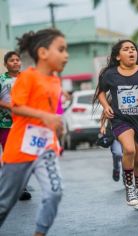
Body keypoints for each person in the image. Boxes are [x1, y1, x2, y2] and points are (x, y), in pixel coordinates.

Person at [0, 28, 67, 236]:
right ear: (43, 53)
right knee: (4, 203)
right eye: (62, 49)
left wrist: (58, 124)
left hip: (46, 147)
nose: (66, 55)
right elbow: (16, 106)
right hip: (20, 148)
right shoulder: (27, 77)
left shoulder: (56, 81)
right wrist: (43, 116)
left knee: (55, 193)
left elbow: (55, 112)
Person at [93, 39, 138, 210]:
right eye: (126, 49)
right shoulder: (110, 74)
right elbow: (101, 92)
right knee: (129, 150)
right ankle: (130, 188)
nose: (131, 51)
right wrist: (106, 106)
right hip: (120, 119)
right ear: (118, 56)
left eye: (133, 49)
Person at [0, 51, 32, 201]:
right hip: (5, 124)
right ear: (6, 64)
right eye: (11, 60)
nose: (15, 62)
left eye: (17, 60)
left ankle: (22, 187)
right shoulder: (1, 80)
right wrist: (10, 107)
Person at [99, 112, 123, 182]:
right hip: (114, 132)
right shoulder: (112, 101)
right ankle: (116, 168)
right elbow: (104, 112)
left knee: (127, 153)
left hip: (128, 130)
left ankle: (126, 174)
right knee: (118, 153)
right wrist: (102, 126)